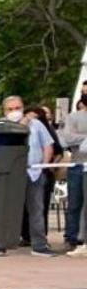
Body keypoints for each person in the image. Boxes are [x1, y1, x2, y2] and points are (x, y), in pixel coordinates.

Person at [20, 102, 57, 256]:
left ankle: (39, 245)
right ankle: (1, 244)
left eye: (17, 108)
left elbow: (48, 145)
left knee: (36, 209)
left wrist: (44, 165)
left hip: (35, 172)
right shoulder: (5, 124)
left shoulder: (36, 124)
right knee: (8, 209)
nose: (14, 111)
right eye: (10, 108)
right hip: (12, 175)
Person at [62, 97, 87, 256]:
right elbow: (68, 138)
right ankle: (71, 238)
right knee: (75, 203)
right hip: (78, 164)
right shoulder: (74, 117)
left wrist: (81, 135)